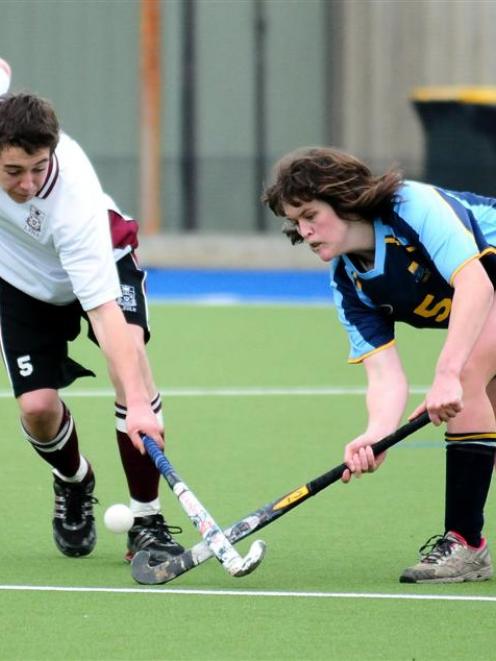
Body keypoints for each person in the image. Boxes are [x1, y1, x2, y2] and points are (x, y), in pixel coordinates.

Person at [262, 146, 496, 583]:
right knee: (482, 395)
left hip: (490, 283)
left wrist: (446, 374)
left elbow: (476, 284)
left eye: (311, 215)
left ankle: (464, 543)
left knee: (467, 375)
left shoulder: (412, 207)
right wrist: (377, 434)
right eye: (296, 222)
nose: (305, 231)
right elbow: (385, 375)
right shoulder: (349, 283)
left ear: (343, 198)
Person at [0, 91, 184, 564]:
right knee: (38, 408)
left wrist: (139, 404)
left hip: (105, 262)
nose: (27, 184)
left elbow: (105, 315)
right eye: (13, 171)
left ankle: (146, 520)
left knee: (132, 367)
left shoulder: (72, 205)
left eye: (39, 167)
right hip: (20, 278)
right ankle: (74, 480)